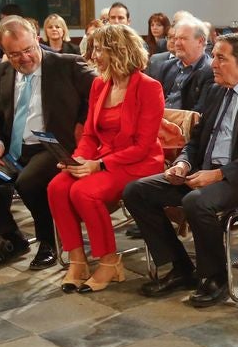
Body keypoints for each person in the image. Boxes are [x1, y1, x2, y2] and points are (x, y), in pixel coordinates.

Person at [125, 33, 238, 307]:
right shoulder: (215, 91)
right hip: (205, 172)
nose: (213, 63)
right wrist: (183, 163)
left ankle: (215, 278)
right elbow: (196, 140)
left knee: (196, 202)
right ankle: (180, 267)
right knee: (137, 191)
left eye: (221, 58)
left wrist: (219, 175)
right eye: (213, 57)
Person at [0, 16, 95, 271]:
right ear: (4, 51)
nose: (24, 58)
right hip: (12, 150)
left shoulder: (68, 65)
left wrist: (81, 123)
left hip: (53, 147)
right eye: (14, 54)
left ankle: (48, 242)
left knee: (29, 181)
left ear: (37, 39)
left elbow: (99, 95)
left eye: (28, 49)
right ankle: (12, 239)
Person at [48, 24, 165, 293]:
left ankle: (109, 262)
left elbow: (143, 146)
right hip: (102, 158)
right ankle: (77, 261)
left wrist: (98, 165)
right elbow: (90, 134)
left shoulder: (149, 87)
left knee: (83, 192)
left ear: (119, 51)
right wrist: (77, 159)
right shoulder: (99, 84)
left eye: (99, 50)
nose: (94, 56)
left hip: (138, 163)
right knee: (57, 187)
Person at [155, 19, 213, 110]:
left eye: (183, 38)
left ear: (200, 41)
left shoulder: (210, 70)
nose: (177, 43)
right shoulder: (167, 66)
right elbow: (154, 100)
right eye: (176, 39)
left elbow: (198, 111)